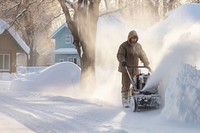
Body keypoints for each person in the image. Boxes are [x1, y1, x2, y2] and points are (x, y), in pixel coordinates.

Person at [117, 30, 150, 108]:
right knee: (126, 85)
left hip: (135, 69)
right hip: (126, 69)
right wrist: (123, 61)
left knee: (137, 85)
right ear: (129, 38)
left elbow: (142, 54)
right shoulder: (124, 46)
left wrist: (146, 62)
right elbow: (120, 55)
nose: (134, 40)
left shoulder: (138, 46)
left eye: (135, 38)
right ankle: (125, 100)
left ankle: (136, 99)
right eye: (132, 38)